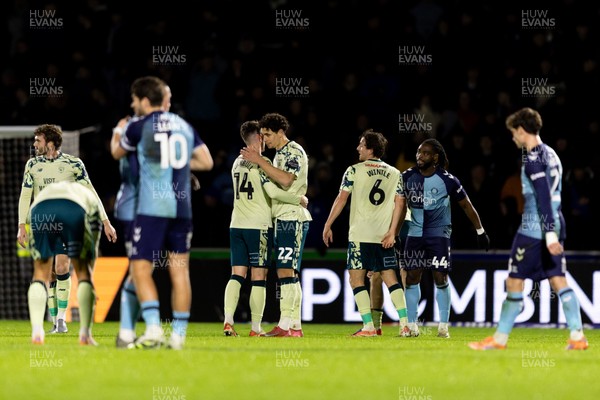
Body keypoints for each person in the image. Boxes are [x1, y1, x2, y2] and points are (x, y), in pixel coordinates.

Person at [469, 107, 588, 351]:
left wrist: (549, 233)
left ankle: (499, 340)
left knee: (514, 281)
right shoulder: (552, 154)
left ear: (522, 131)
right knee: (558, 279)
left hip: (535, 229)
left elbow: (543, 196)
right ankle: (577, 336)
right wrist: (554, 230)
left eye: (513, 132)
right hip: (556, 220)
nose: (513, 137)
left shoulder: (533, 159)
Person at [112, 76, 213, 350]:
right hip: (183, 209)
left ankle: (154, 328)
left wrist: (119, 132)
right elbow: (206, 161)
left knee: (140, 269)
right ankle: (178, 336)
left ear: (145, 101)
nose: (134, 105)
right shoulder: (184, 125)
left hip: (153, 208)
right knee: (180, 272)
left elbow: (117, 153)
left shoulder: (138, 127)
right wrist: (179, 166)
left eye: (135, 100)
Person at [17, 124, 117, 335]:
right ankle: (53, 321)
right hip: (42, 221)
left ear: (51, 143)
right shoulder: (32, 165)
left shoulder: (74, 164)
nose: (34, 144)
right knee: (48, 273)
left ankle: (61, 321)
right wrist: (21, 225)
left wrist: (105, 221)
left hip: (66, 221)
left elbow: (91, 191)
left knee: (62, 267)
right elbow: (26, 195)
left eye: (38, 140)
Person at [224, 120, 308, 337]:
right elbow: (273, 192)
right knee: (260, 277)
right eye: (264, 135)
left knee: (237, 275)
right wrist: (298, 199)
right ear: (259, 138)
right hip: (259, 225)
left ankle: (228, 322)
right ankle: (256, 328)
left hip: (236, 224)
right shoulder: (262, 163)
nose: (267, 139)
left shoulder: (236, 162)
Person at [322, 129, 410, 337]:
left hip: (360, 235)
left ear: (371, 149)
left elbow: (341, 199)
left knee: (356, 279)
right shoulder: (395, 173)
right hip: (383, 236)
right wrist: (392, 232)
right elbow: (400, 204)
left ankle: (369, 326)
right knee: (391, 278)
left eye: (361, 144)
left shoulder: (353, 170)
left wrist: (328, 224)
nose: (358, 148)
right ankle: (405, 325)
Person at [401, 138, 489, 339]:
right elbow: (398, 205)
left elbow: (466, 205)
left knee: (440, 277)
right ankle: (412, 325)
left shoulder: (448, 180)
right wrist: (393, 232)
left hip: (438, 234)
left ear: (435, 157)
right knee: (412, 278)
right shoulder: (406, 177)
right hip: (414, 234)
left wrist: (480, 231)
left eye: (424, 153)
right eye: (418, 152)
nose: (419, 156)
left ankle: (443, 326)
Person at [27, 180, 117, 345]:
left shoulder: (49, 191)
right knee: (84, 274)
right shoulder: (91, 198)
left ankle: (37, 333)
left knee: (40, 274)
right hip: (73, 209)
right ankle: (85, 335)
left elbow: (29, 212)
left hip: (39, 209)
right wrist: (89, 280)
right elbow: (93, 248)